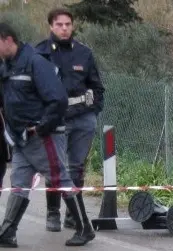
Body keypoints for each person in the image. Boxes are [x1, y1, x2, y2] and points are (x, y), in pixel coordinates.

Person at [0, 22, 94, 248]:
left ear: (7, 40)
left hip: (44, 137)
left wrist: (41, 127)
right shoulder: (7, 66)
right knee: (20, 182)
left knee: (60, 178)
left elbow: (58, 99)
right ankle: (8, 232)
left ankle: (84, 228)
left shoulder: (35, 63)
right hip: (21, 138)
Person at [36, 7, 104, 232]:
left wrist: (93, 111)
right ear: (51, 26)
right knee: (56, 167)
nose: (64, 29)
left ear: (72, 26)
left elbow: (97, 86)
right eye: (59, 25)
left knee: (76, 168)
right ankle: (53, 213)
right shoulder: (40, 53)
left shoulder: (84, 53)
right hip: (55, 119)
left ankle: (72, 215)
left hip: (83, 118)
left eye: (67, 24)